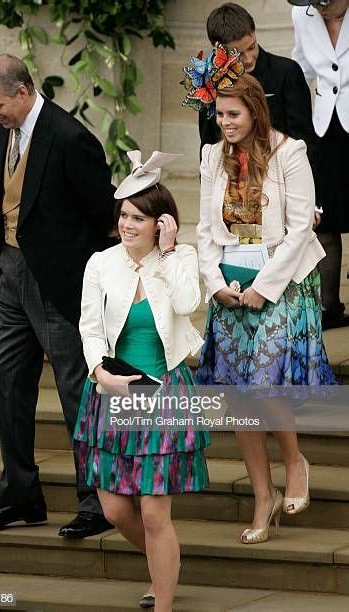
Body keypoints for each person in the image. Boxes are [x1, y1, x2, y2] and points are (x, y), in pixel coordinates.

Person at [182, 45, 336, 544]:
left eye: (233, 114)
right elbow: (205, 230)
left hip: (282, 280)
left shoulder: (290, 152)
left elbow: (297, 232)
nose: (224, 123)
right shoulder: (211, 157)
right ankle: (262, 497)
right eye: (219, 114)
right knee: (237, 395)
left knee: (264, 389)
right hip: (231, 280)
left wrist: (263, 290)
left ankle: (294, 462)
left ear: (254, 111)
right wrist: (219, 285)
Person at [0, 54, 115, 538]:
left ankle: (97, 503)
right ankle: (20, 494)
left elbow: (103, 215)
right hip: (12, 273)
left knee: (76, 391)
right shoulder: (2, 129)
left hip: (61, 283)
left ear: (24, 91)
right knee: (2, 375)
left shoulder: (71, 139)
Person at [74, 150, 210, 611]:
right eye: (124, 215)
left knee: (155, 512)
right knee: (114, 510)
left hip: (162, 395)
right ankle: (163, 564)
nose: (129, 224)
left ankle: (165, 601)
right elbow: (90, 329)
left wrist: (170, 252)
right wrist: (99, 374)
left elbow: (189, 303)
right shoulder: (101, 263)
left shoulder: (181, 257)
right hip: (111, 393)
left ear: (161, 223)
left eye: (140, 217)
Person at [198, 2, 322, 231]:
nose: (247, 58)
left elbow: (304, 139)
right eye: (237, 53)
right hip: (235, 188)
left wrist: (312, 199)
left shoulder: (286, 72)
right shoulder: (210, 83)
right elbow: (208, 144)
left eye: (251, 47)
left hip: (284, 185)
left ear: (254, 34)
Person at [289, 0, 349, 329]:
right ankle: (330, 308)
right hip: (324, 129)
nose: (319, 8)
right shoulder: (302, 14)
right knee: (325, 220)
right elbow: (302, 69)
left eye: (326, 1)